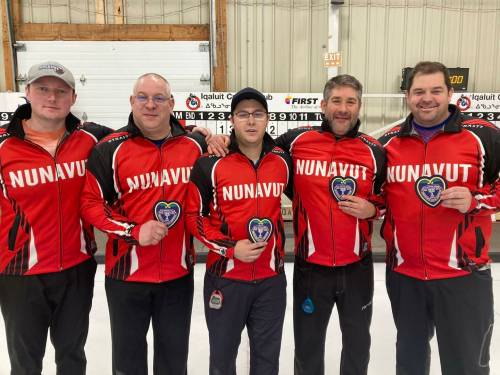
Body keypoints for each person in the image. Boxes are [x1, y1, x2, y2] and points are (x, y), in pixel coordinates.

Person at [80, 73, 212, 375]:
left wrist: (216, 136)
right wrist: (133, 230)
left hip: (178, 277)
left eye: (158, 98)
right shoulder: (108, 150)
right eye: (143, 97)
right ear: (131, 101)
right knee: (128, 365)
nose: (150, 105)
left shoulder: (195, 145)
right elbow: (90, 205)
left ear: (171, 103)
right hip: (126, 278)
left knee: (173, 362)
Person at [378, 61, 500, 375]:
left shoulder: (482, 135)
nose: (426, 98)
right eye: (418, 91)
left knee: (466, 366)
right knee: (410, 363)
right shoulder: (389, 144)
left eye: (435, 90)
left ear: (450, 93)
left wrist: (476, 200)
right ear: (407, 95)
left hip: (464, 277)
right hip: (405, 277)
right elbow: (378, 197)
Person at [0, 61, 111, 374]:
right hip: (20, 274)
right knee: (25, 362)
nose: (52, 97)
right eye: (43, 89)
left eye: (61, 91)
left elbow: (140, 138)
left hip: (76, 270)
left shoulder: (91, 139)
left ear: (72, 98)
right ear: (28, 93)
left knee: (72, 356)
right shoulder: (3, 145)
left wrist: (197, 134)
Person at [274, 75, 386, 375]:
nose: (343, 108)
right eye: (336, 100)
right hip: (310, 267)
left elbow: (393, 199)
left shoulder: (375, 151)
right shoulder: (295, 141)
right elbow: (252, 150)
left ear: (359, 106)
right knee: (308, 347)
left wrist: (372, 208)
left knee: (358, 345)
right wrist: (217, 137)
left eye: (350, 101)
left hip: (357, 268)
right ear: (324, 104)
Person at [185, 87, 293, 375]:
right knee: (222, 360)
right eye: (243, 115)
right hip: (225, 279)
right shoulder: (210, 163)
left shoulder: (282, 160)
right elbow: (193, 217)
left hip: (271, 281)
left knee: (267, 361)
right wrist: (230, 248)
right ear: (232, 120)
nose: (250, 121)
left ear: (268, 119)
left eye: (257, 114)